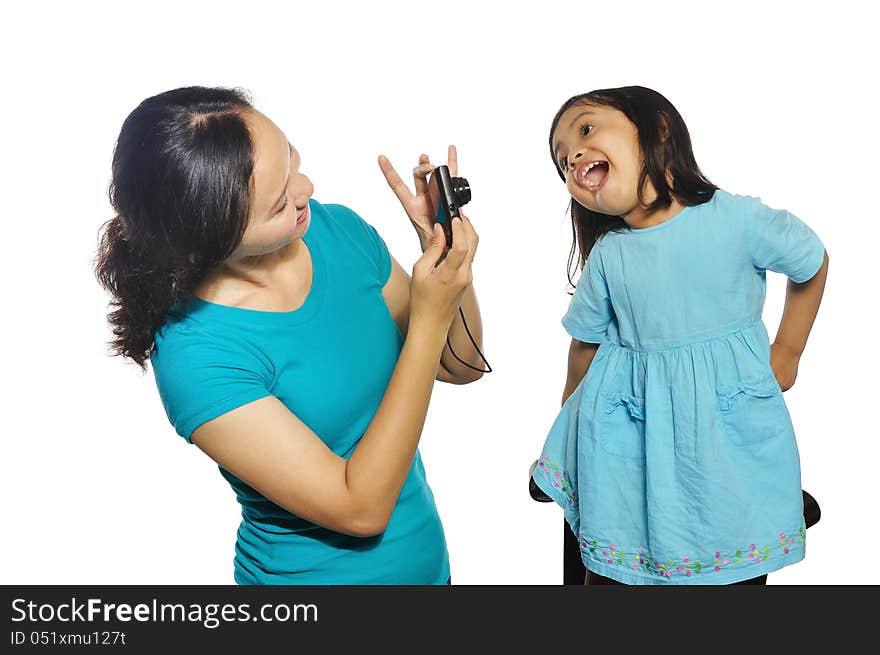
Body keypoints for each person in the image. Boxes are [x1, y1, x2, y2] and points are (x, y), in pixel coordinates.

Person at [94, 86, 484, 584]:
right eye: (280, 203)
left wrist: (447, 256)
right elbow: (360, 509)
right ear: (204, 244)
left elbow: (462, 365)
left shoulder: (337, 230)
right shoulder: (198, 355)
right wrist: (429, 317)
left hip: (430, 572)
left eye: (292, 161)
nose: (307, 188)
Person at [531, 86, 828, 585]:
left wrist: (788, 351)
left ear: (659, 128)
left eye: (585, 131)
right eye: (563, 160)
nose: (574, 156)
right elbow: (584, 344)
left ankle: (767, 510)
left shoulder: (735, 219)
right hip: (633, 423)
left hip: (721, 418)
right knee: (628, 526)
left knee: (729, 525)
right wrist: (569, 421)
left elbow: (811, 261)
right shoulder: (610, 255)